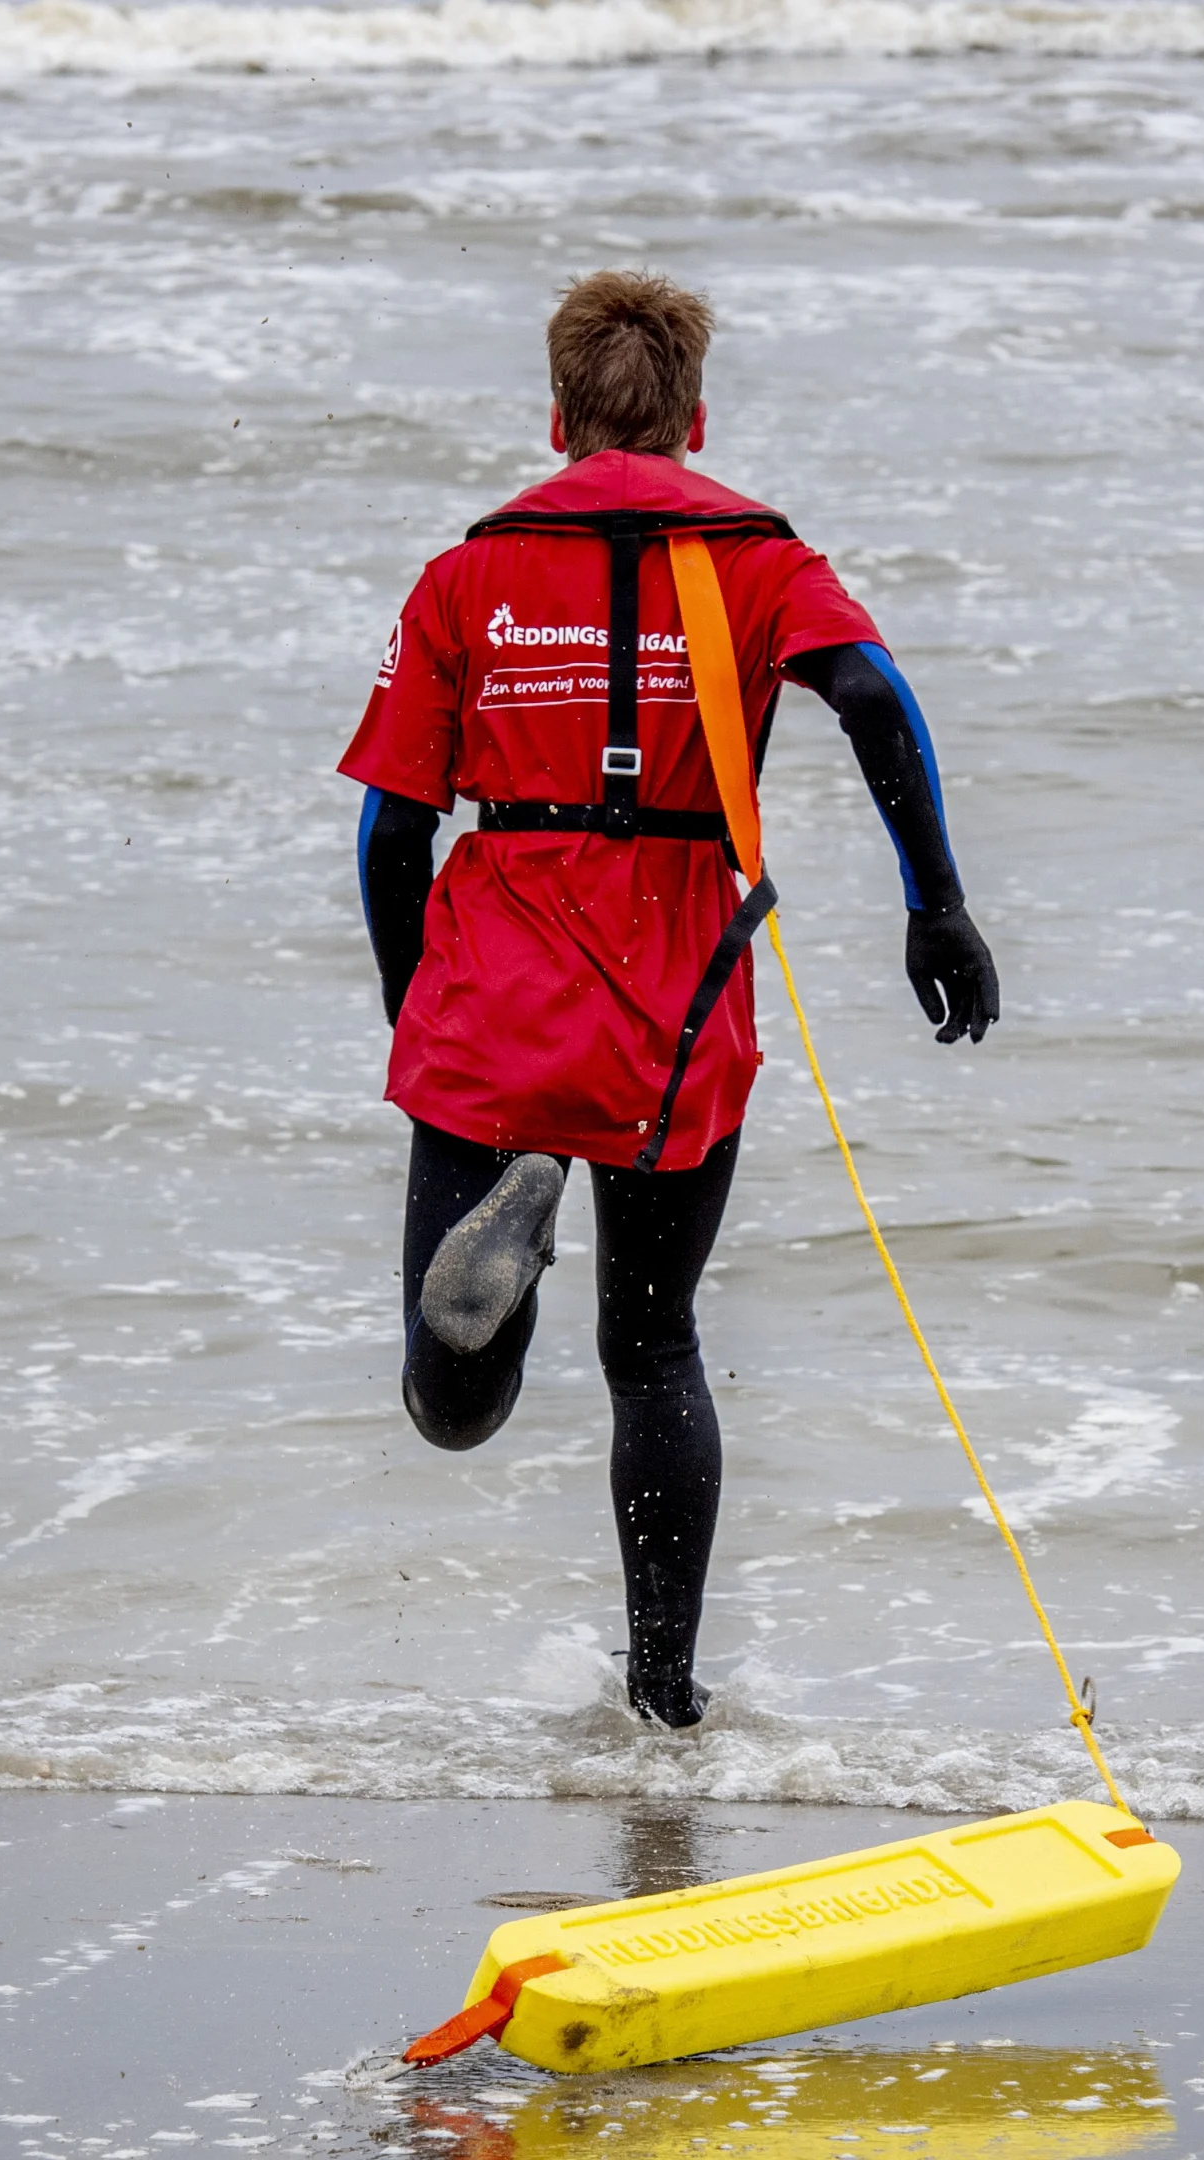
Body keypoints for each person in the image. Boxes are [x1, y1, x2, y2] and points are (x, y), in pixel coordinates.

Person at [337, 270, 998, 1731]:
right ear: (696, 419)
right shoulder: (756, 556)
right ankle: (663, 1703)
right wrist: (935, 903)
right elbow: (876, 698)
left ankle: (491, 1294)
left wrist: (412, 1013)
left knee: (452, 1411)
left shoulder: (467, 574)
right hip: (675, 1004)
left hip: (494, 1002)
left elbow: (390, 829)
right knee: (654, 1351)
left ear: (556, 417)